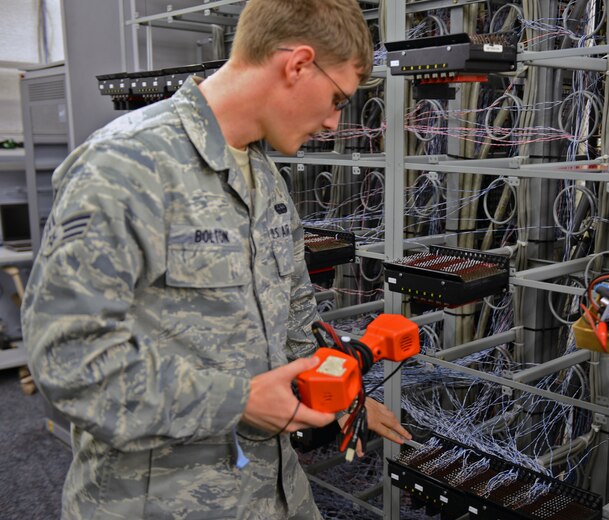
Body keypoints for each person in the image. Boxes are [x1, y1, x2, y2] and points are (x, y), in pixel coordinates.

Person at [22, 1, 411, 518]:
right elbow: (65, 359)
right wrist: (239, 400)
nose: (333, 122)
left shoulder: (264, 177)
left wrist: (338, 398)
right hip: (162, 501)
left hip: (276, 492)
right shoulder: (126, 164)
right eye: (337, 98)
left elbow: (294, 312)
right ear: (297, 64)